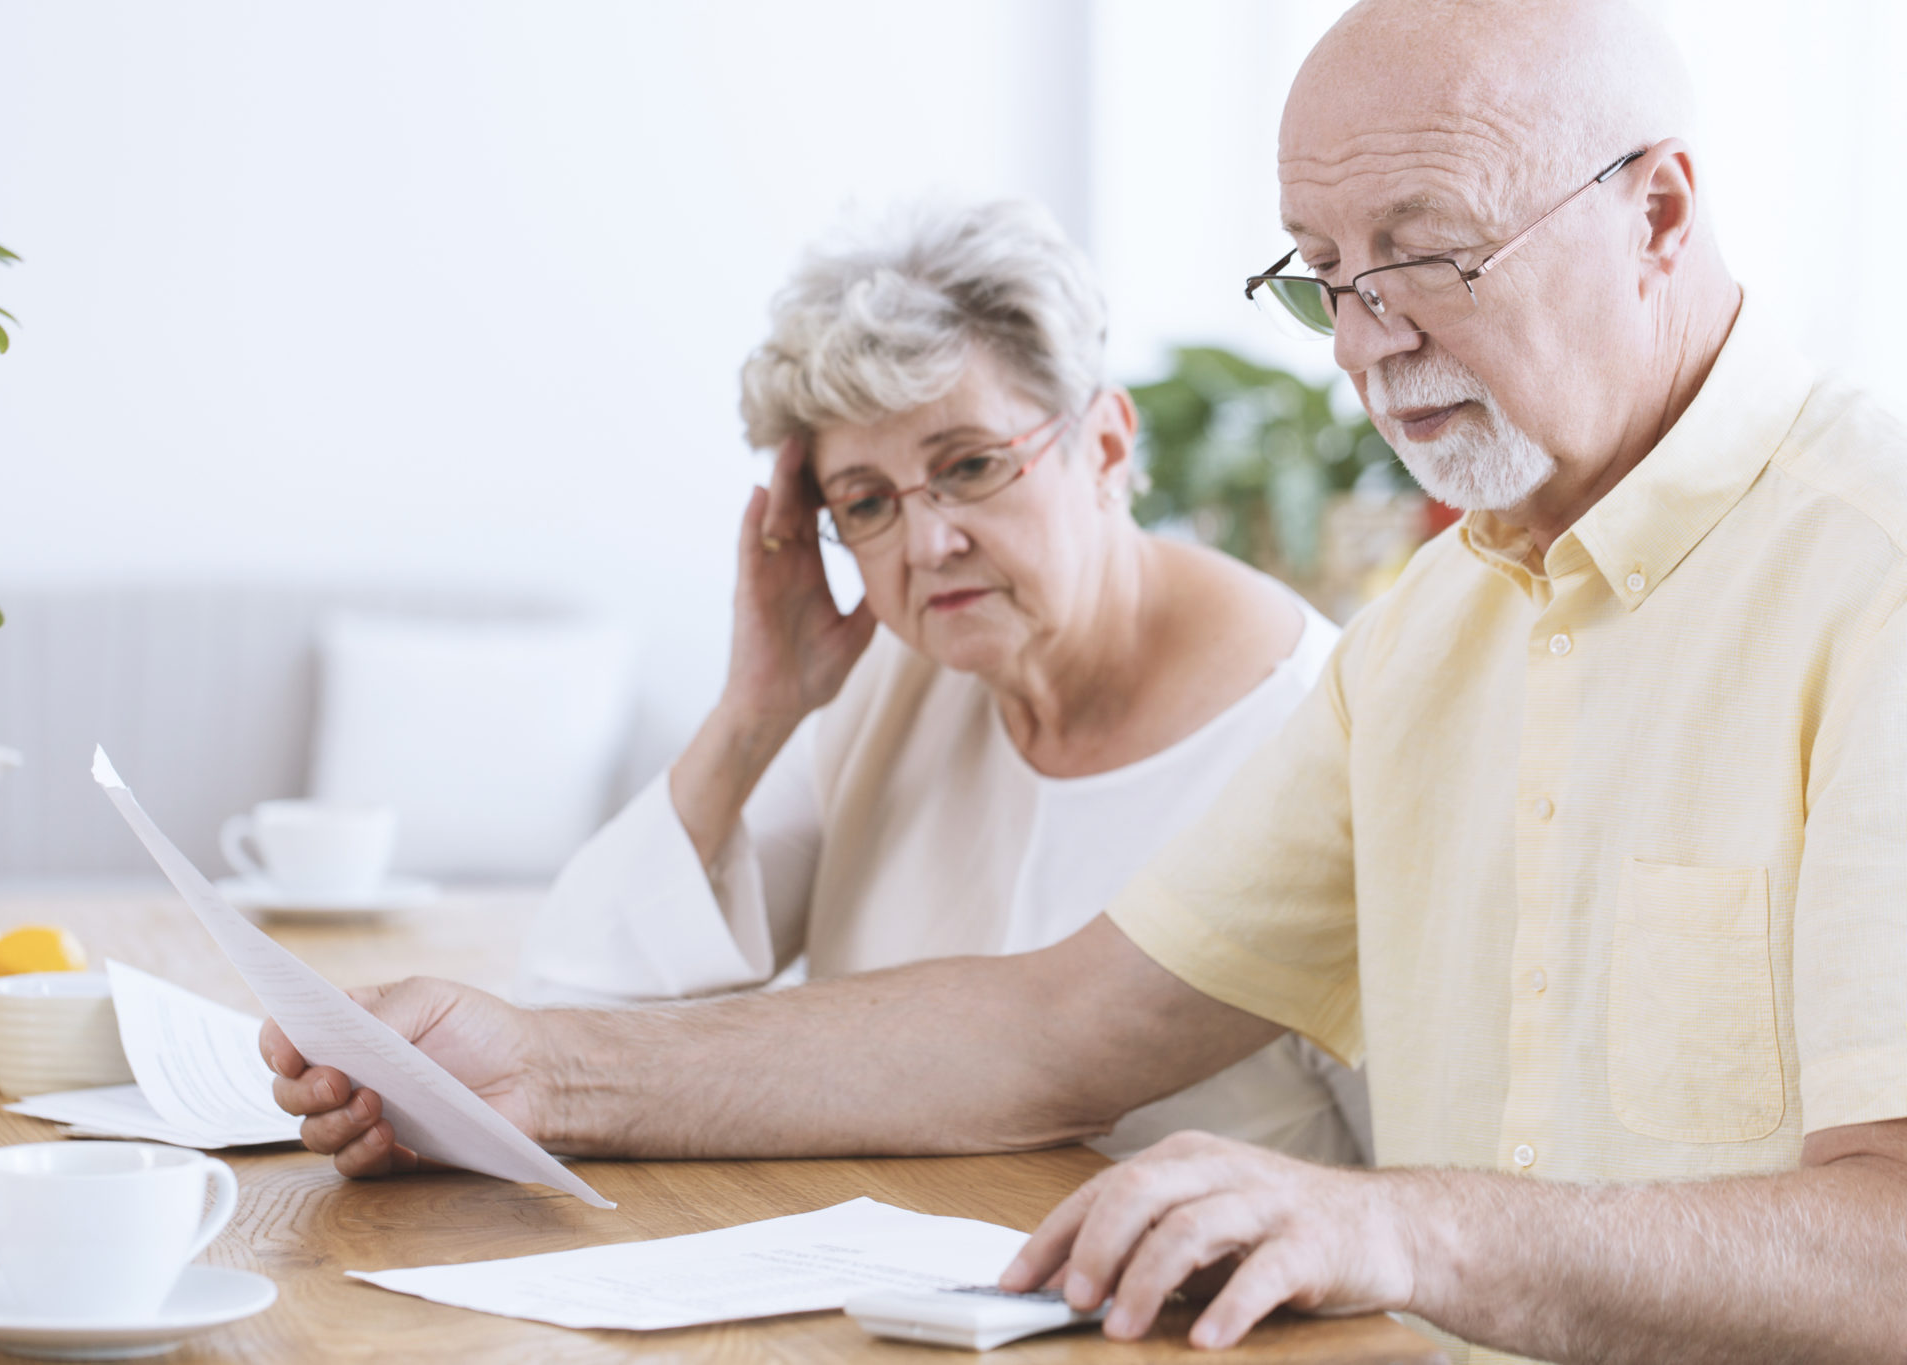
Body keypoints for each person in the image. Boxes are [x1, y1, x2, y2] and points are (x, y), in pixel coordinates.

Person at [265, 2, 1907, 1360]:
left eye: (1424, 256)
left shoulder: (1870, 570)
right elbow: (1056, 1027)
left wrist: (1405, 1224)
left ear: (1661, 211)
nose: (1359, 343)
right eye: (1323, 271)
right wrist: (528, 1071)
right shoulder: (1431, 635)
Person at [511, 199, 1366, 1164]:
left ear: (1108, 447)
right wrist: (754, 713)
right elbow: (568, 1010)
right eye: (866, 502)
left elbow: (1421, 1191)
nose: (928, 543)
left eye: (969, 465)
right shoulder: (893, 683)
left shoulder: (1319, 724)